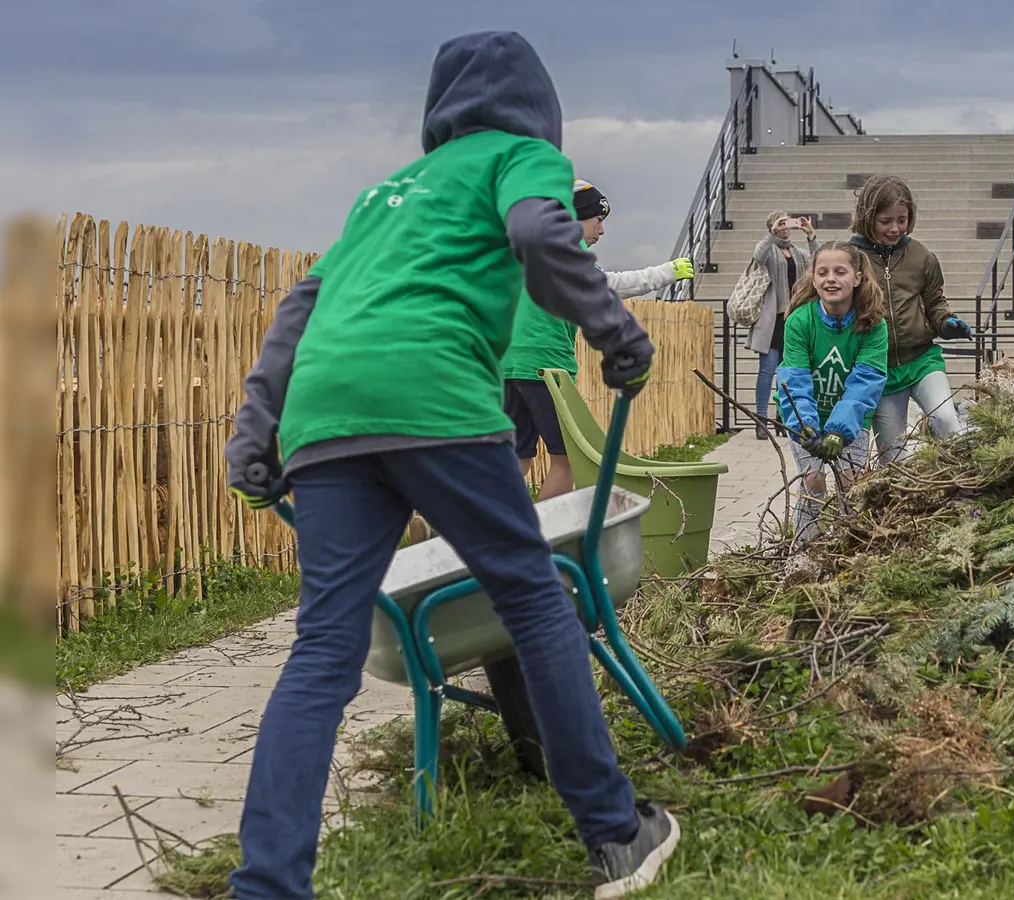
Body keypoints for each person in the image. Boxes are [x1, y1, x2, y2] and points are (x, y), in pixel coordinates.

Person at [222, 31, 679, 900]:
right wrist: (616, 332)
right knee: (533, 593)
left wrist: (256, 433)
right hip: (433, 395)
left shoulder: (384, 194)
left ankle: (267, 885)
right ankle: (615, 832)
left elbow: (301, 305)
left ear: (437, 110)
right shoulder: (524, 154)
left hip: (326, 413)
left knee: (322, 650)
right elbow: (542, 231)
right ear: (541, 106)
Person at [502, 177, 696, 497]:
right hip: (546, 365)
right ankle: (546, 539)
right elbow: (611, 286)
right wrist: (668, 272)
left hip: (508, 365)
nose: (601, 231)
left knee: (517, 457)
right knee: (567, 460)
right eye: (598, 220)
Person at [845, 174, 974, 464]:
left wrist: (946, 323)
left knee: (946, 420)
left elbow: (935, 303)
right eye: (886, 221)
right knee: (895, 457)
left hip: (922, 360)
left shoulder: (921, 257)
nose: (895, 228)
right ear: (867, 217)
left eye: (902, 220)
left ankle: (965, 476)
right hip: (881, 369)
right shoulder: (851, 259)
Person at [774, 241, 889, 543]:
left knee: (851, 483)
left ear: (858, 277)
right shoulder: (800, 320)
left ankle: (846, 547)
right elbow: (794, 379)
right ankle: (803, 548)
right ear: (812, 277)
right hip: (807, 417)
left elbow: (865, 383)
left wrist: (839, 431)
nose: (831, 279)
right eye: (823, 272)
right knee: (813, 482)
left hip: (852, 419)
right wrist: (805, 427)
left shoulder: (873, 325)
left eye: (840, 271)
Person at [747, 210, 818, 438]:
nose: (786, 227)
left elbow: (817, 264)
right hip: (772, 320)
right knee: (767, 370)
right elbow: (758, 256)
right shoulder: (770, 251)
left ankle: (782, 419)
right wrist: (771, 233)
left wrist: (810, 235)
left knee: (788, 372)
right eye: (782, 223)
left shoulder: (797, 253)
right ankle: (761, 420)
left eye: (788, 223)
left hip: (793, 318)